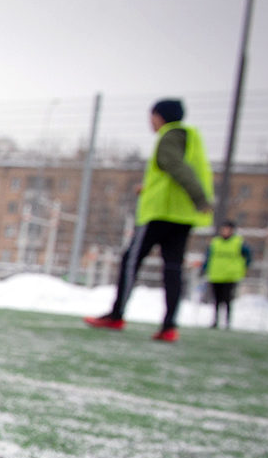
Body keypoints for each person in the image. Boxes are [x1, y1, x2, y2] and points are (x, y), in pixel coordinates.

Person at [84, 98, 214, 342]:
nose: (150, 122)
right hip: (182, 216)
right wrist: (149, 188)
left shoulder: (169, 136)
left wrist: (199, 197)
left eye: (151, 117)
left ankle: (116, 314)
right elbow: (176, 173)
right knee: (173, 268)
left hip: (160, 214)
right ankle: (169, 326)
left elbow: (176, 167)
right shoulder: (192, 138)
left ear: (159, 116)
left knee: (130, 261)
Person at [201, 219, 252, 329]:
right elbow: (208, 256)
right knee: (216, 300)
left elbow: (248, 256)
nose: (225, 231)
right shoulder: (215, 242)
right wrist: (204, 269)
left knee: (227, 299)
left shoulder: (238, 242)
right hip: (216, 275)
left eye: (228, 229)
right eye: (224, 229)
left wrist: (245, 267)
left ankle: (227, 322)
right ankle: (215, 321)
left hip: (230, 276)